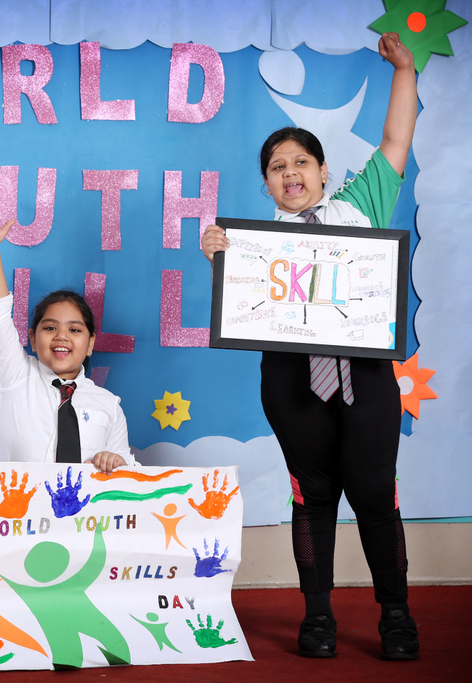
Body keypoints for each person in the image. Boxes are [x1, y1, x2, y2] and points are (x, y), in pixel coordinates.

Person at [201, 33, 418, 661]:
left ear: (324, 172)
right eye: (277, 167)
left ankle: (397, 617)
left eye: (300, 162)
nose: (290, 172)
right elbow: (241, 308)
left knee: (376, 496)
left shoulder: (361, 205)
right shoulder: (252, 243)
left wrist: (404, 70)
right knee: (312, 496)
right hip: (293, 384)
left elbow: (395, 141)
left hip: (367, 380)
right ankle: (318, 617)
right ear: (267, 185)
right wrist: (218, 259)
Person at [0, 201, 135, 474]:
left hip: (84, 503)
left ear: (90, 343)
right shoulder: (15, 376)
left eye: (75, 330)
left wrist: (117, 463)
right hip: (18, 501)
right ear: (32, 338)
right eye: (50, 328)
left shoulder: (108, 405)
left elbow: (127, 474)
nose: (61, 337)